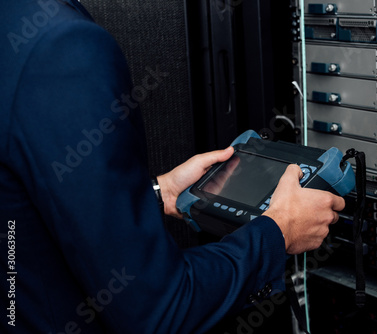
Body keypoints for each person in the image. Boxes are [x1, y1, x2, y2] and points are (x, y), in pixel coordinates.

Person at [0, 0, 345, 333]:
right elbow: (159, 311)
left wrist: (156, 193)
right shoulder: (62, 47)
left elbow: (27, 216)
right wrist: (279, 232)